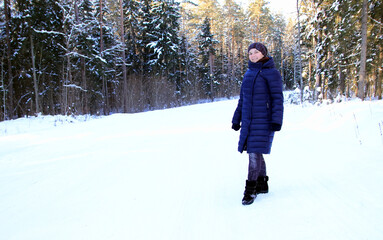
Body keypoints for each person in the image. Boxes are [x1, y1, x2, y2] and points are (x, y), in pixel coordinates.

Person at [232, 42, 284, 205]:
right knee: (256, 152)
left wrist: (277, 120)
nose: (253, 56)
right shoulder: (248, 73)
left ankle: (250, 190)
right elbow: (243, 100)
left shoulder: (271, 73)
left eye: (256, 52)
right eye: (250, 53)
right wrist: (236, 118)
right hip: (249, 120)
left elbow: (277, 99)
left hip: (264, 121)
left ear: (263, 53)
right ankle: (262, 184)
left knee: (253, 153)